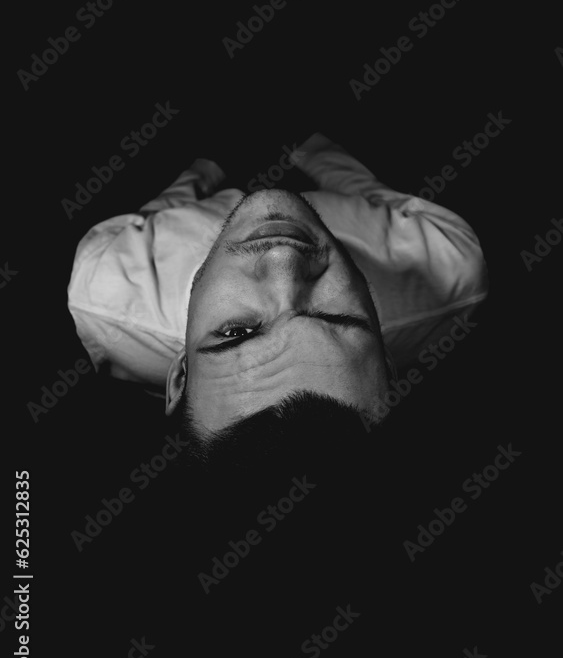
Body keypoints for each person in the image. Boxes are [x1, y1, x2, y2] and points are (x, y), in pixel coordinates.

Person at [68, 132, 488, 449]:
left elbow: (148, 216)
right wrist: (317, 150)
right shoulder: (452, 272)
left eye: (237, 332)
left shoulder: (105, 285)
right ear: (388, 365)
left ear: (179, 377)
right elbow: (384, 197)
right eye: (335, 318)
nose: (284, 259)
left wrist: (204, 168)